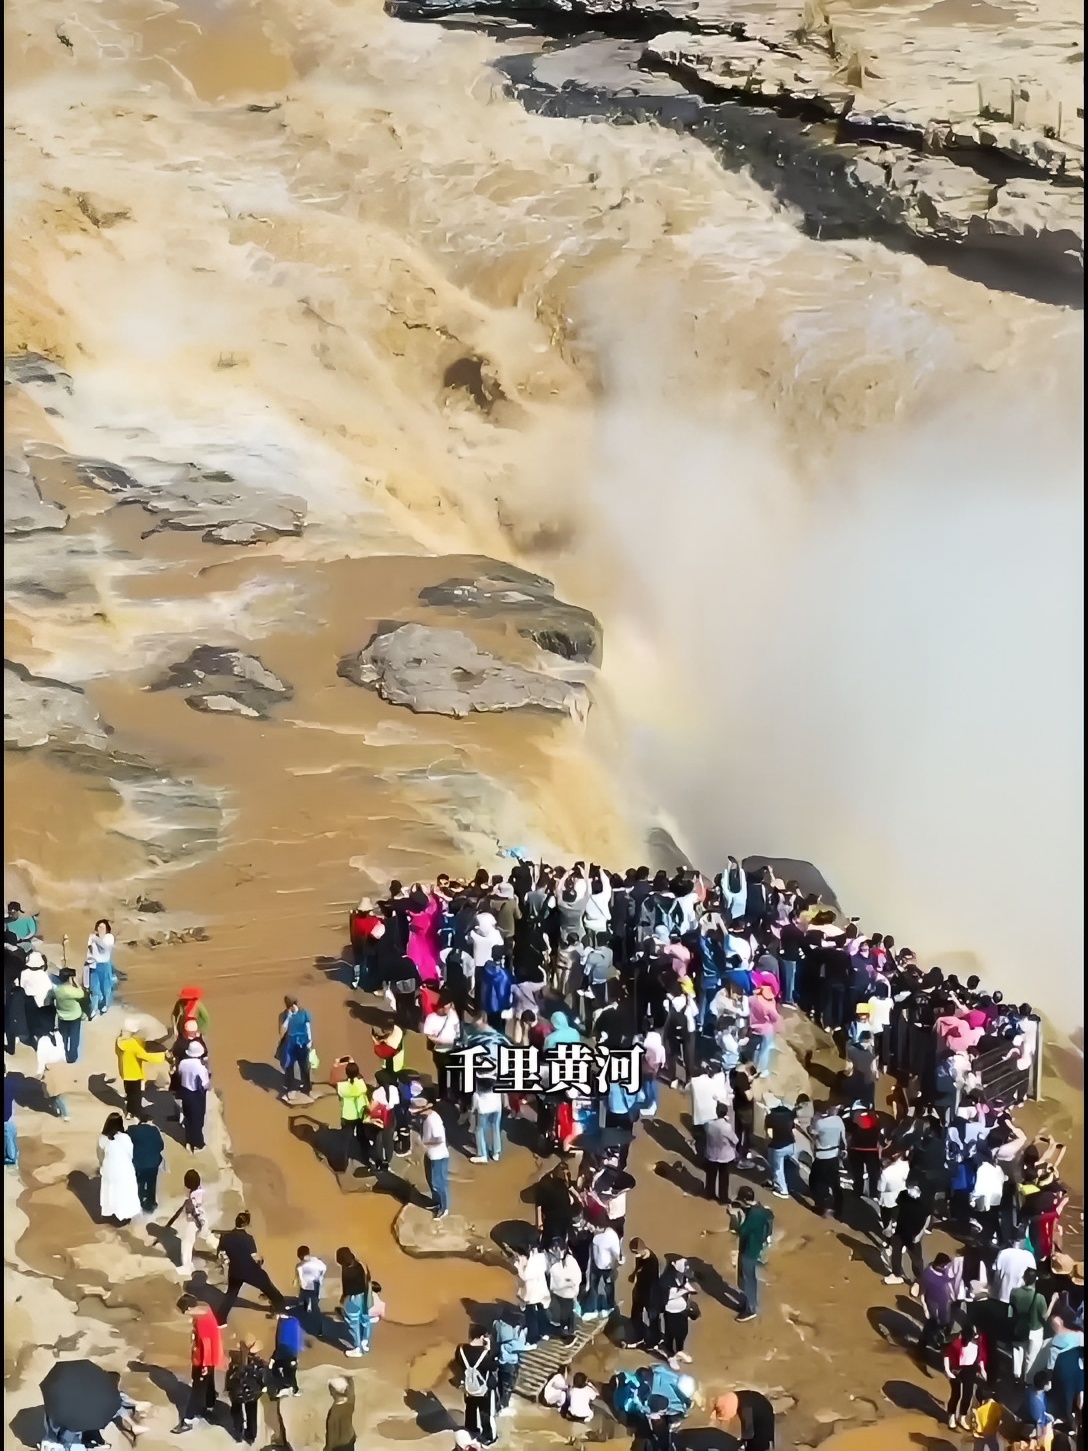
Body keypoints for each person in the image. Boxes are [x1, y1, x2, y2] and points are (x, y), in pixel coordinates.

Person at [218, 1211, 287, 1319]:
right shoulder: (248, 1239)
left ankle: (220, 1319)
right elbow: (255, 1258)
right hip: (250, 1271)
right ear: (246, 1224)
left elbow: (222, 1256)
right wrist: (261, 1259)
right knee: (271, 1290)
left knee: (230, 1296)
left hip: (235, 1271)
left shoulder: (225, 1238)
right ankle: (280, 1311)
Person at [173, 1294, 223, 1433]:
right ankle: (210, 1404)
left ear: (190, 1308)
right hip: (210, 1358)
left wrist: (204, 1367)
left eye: (186, 1312)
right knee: (209, 1383)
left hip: (203, 1361)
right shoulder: (204, 1307)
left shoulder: (202, 1323)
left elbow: (206, 1345)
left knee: (197, 1390)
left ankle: (188, 1420)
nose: (186, 1315)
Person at [733, 1187, 774, 1323]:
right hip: (754, 1247)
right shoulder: (761, 1209)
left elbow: (742, 1231)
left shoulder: (754, 1215)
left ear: (745, 1200)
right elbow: (770, 1216)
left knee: (748, 1279)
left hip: (749, 1250)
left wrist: (735, 1216)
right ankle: (748, 1302)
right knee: (748, 1277)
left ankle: (750, 1309)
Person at [169, 1168, 216, 1277]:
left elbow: (192, 1212)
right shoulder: (200, 1191)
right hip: (203, 1218)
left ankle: (186, 1267)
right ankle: (221, 1249)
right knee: (206, 1237)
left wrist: (189, 1213)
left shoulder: (192, 1197)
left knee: (187, 1243)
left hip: (195, 1221)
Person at [98, 1111, 142, 1224]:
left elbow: (100, 1156)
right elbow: (130, 1154)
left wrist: (104, 1167)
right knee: (124, 1193)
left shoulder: (102, 1138)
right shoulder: (125, 1137)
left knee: (111, 1192)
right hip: (124, 1169)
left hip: (109, 1168)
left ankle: (111, 1213)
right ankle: (124, 1215)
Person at [115, 1020, 166, 1118]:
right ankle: (138, 1113)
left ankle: (129, 1112)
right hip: (135, 1073)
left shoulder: (120, 1041)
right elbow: (144, 1055)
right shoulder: (133, 1044)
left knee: (129, 1093)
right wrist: (163, 1056)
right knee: (136, 1096)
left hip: (125, 1072)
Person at [943, 1325, 990, 1431]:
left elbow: (980, 1357)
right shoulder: (956, 1343)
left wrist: (982, 1370)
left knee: (967, 1395)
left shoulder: (977, 1343)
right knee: (956, 1395)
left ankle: (962, 1417)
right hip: (956, 1369)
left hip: (970, 1369)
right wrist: (948, 1370)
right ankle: (951, 1416)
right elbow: (947, 1354)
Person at [457, 1327, 498, 1448]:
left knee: (470, 1409)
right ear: (482, 1337)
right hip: (483, 1389)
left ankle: (471, 1431)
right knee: (486, 1413)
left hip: (468, 1387)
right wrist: (488, 1349)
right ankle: (488, 1438)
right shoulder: (484, 1354)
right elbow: (493, 1367)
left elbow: (458, 1363)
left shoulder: (460, 1349)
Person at [883, 1184, 930, 1287]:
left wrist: (920, 1234)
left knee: (916, 1259)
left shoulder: (923, 1204)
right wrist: (892, 1223)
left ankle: (920, 1280)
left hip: (913, 1235)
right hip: (900, 1231)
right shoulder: (904, 1195)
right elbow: (896, 1208)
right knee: (896, 1251)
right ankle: (896, 1274)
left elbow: (928, 1217)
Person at [225, 1337, 267, 1445]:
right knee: (252, 1412)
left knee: (236, 1410)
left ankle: (238, 1433)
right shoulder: (258, 1363)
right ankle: (251, 1436)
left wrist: (228, 1387)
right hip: (252, 1391)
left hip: (237, 1390)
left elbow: (230, 1376)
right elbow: (262, 1378)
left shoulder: (235, 1361)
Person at [1010, 1267, 1050, 1381]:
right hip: (1035, 1330)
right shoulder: (1039, 1297)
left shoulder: (1014, 1293)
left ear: (1024, 1278)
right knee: (1031, 1358)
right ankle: (1027, 1379)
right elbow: (1044, 1316)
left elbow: (1010, 1311)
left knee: (1018, 1351)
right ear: (1035, 1280)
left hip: (1019, 1326)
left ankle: (1016, 1376)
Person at [807, 1103, 846, 1219]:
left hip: (822, 1156)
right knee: (835, 1184)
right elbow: (843, 1138)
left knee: (815, 1182)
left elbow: (812, 1131)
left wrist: (814, 1120)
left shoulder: (820, 1123)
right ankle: (839, 1209)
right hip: (834, 1156)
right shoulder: (839, 1121)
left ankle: (822, 1207)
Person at [413, 1099, 450, 1219]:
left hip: (437, 1156)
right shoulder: (427, 1119)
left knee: (438, 1184)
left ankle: (443, 1208)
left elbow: (439, 1139)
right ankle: (436, 1203)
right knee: (431, 1181)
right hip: (430, 1154)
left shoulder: (432, 1120)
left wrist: (424, 1142)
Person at [515, 1235, 552, 1346]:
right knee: (541, 1312)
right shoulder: (541, 1256)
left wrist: (519, 1267)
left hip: (532, 1293)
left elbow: (526, 1276)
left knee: (530, 1316)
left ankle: (533, 1339)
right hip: (540, 1290)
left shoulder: (533, 1259)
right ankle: (545, 1332)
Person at [336, 1246, 372, 1356]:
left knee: (353, 1323)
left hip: (353, 1299)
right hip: (364, 1296)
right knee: (365, 1319)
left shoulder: (347, 1271)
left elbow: (347, 1289)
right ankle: (365, 1342)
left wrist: (343, 1297)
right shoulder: (359, 1265)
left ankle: (357, 1348)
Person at [712, 1389, 776, 1451]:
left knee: (759, 1443)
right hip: (760, 1409)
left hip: (762, 1422)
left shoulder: (746, 1410)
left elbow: (749, 1433)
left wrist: (739, 1443)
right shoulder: (736, 1400)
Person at [586, 1218, 622, 1322]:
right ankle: (594, 1309)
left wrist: (613, 1269)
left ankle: (609, 1309)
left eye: (595, 1227)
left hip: (607, 1267)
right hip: (596, 1265)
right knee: (594, 1287)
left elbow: (616, 1255)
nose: (593, 1229)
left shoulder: (611, 1236)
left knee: (609, 1289)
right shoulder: (596, 1233)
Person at [492, 1310, 529, 1412]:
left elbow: (495, 1339)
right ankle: (503, 1406)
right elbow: (519, 1345)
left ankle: (498, 1405)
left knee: (500, 1384)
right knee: (508, 1387)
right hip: (512, 1362)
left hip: (501, 1360)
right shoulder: (516, 1329)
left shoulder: (497, 1324)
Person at [128, 1112, 165, 1213]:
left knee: (139, 1181)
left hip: (138, 1162)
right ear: (150, 1121)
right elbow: (161, 1146)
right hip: (153, 1163)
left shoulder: (132, 1130)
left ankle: (138, 1200)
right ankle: (150, 1203)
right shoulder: (155, 1131)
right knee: (151, 1183)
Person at [628, 1239, 662, 1349]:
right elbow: (639, 1269)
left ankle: (655, 1340)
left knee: (653, 1316)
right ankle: (638, 1337)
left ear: (642, 1249)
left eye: (636, 1252)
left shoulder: (652, 1262)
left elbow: (650, 1279)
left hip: (650, 1293)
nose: (635, 1254)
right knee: (635, 1314)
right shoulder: (639, 1257)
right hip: (639, 1290)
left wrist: (639, 1274)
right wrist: (634, 1274)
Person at [278, 997, 314, 1099]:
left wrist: (310, 1041)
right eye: (289, 1007)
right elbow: (281, 1031)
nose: (291, 1008)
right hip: (290, 1045)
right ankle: (290, 1088)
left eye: (292, 1005)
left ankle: (307, 1087)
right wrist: (289, 1017)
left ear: (295, 1004)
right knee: (289, 1066)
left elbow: (308, 1027)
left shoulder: (304, 1013)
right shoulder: (284, 1015)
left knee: (304, 1066)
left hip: (303, 1043)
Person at [178, 1041, 210, 1151]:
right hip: (196, 1095)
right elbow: (205, 1085)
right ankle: (198, 1142)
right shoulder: (201, 1068)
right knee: (198, 1119)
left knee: (188, 1117)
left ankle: (188, 1141)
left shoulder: (182, 1063)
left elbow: (180, 1074)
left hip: (185, 1092)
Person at [547, 1244, 582, 1343]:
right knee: (563, 1313)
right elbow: (556, 1282)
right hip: (559, 1293)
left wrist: (565, 1282)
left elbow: (574, 1278)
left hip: (567, 1294)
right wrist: (567, 1282)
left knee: (566, 1313)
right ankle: (567, 1331)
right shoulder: (555, 1263)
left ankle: (568, 1333)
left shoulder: (570, 1261)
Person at [19, 951, 55, 1046]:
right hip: (42, 1001)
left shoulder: (24, 973)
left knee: (31, 1020)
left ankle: (34, 1036)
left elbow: (21, 986)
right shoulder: (43, 974)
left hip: (29, 1000)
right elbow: (49, 988)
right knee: (42, 1022)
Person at [336, 1061, 369, 1165]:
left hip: (347, 1114)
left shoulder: (341, 1086)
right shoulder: (361, 1084)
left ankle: (343, 1160)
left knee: (345, 1138)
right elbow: (364, 1090)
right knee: (362, 1137)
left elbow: (340, 1097)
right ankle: (365, 1159)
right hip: (359, 1113)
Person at [763, 1100, 797, 1200]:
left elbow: (769, 1134)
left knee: (777, 1169)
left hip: (778, 1147)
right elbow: (792, 1127)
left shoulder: (770, 1117)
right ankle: (775, 1181)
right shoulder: (789, 1115)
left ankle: (783, 1190)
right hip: (791, 1145)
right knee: (784, 1166)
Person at [52, 967, 86, 1063]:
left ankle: (64, 1053)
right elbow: (82, 994)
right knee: (74, 1038)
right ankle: (72, 1057)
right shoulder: (71, 991)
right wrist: (76, 983)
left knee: (64, 1037)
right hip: (74, 1017)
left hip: (62, 1017)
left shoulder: (57, 990)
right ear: (70, 978)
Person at [470, 1074, 503, 1164]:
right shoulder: (495, 1084)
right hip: (496, 1108)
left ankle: (482, 1155)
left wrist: (472, 1111)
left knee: (479, 1130)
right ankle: (496, 1153)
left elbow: (474, 1102)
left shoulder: (477, 1089)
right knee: (495, 1128)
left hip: (483, 1110)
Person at [87, 919, 116, 1018]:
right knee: (94, 988)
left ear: (107, 929)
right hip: (94, 965)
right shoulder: (93, 937)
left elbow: (105, 948)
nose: (100, 929)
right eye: (99, 927)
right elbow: (89, 949)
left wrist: (95, 939)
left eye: (103, 927)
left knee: (106, 987)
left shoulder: (109, 937)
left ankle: (105, 1004)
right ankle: (93, 1008)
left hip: (105, 964)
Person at [295, 1245, 327, 1332]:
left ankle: (306, 1308)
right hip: (316, 1284)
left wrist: (297, 1281)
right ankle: (319, 1327)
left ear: (300, 1256)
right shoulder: (316, 1261)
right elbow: (324, 1268)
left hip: (305, 1286)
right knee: (315, 1303)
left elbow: (299, 1275)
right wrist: (321, 1276)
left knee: (306, 1299)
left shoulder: (300, 1265)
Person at [324, 1377, 356, 1451]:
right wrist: (349, 1380)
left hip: (338, 1446)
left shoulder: (334, 1410)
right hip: (349, 1441)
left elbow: (331, 1433)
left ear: (334, 1391)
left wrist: (328, 1448)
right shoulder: (349, 1403)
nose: (330, 1393)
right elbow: (351, 1392)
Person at [4, 1068, 17, 1168]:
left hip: (6, 1115)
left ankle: (11, 1156)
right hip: (10, 1113)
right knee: (10, 1134)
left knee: (7, 1135)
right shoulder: (10, 1083)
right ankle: (12, 1155)